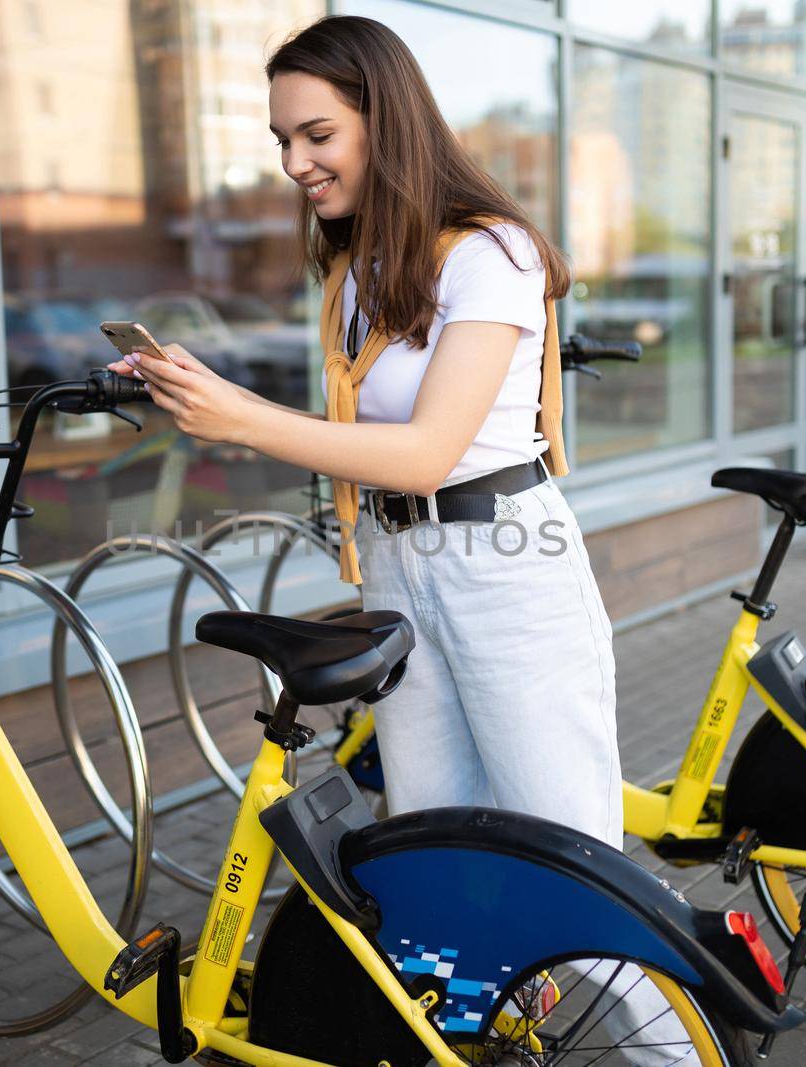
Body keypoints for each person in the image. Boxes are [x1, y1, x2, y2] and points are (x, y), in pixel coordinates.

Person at [111, 16, 694, 1063]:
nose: (294, 162)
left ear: (387, 121)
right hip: (397, 568)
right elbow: (362, 442)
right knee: (432, 867)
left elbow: (428, 451)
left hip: (502, 567)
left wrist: (238, 415)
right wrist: (196, 389)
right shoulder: (358, 266)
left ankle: (676, 1055)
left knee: (572, 865)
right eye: (282, 138)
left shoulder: (493, 253)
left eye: (317, 134)